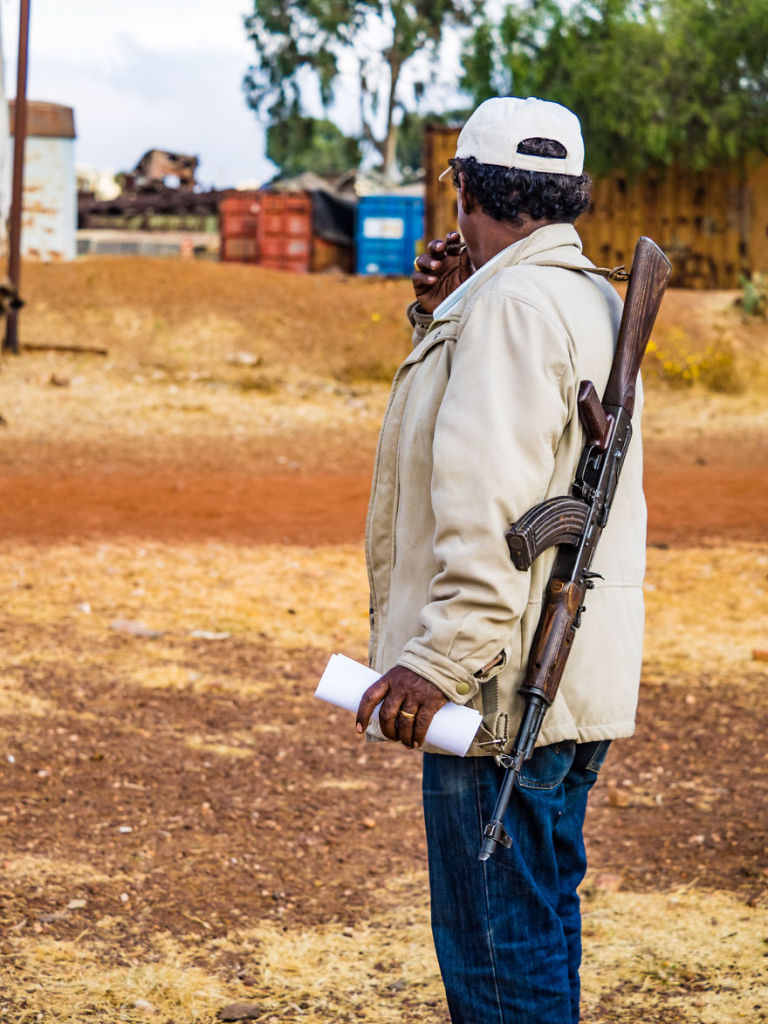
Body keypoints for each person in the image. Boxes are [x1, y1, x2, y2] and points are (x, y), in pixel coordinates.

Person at [355, 96, 646, 1024]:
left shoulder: (513, 306)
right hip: (561, 679)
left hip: (500, 690)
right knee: (537, 927)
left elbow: (490, 510)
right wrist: (443, 313)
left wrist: (436, 664)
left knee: (497, 959)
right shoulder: (581, 292)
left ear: (467, 188)